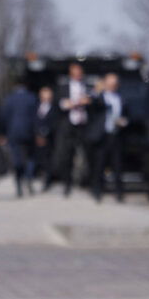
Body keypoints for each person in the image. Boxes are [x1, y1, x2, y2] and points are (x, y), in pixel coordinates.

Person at [88, 73, 127, 202]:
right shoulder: (99, 97)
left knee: (117, 165)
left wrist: (123, 121)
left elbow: (127, 114)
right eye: (110, 83)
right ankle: (97, 191)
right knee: (99, 165)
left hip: (115, 135)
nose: (112, 86)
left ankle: (119, 193)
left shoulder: (121, 98)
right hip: (102, 135)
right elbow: (91, 105)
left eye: (114, 84)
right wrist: (97, 90)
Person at [57, 62, 91, 197]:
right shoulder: (63, 87)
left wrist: (87, 101)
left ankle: (86, 182)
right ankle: (67, 184)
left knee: (86, 154)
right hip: (69, 126)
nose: (77, 74)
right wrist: (75, 102)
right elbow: (61, 104)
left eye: (79, 72)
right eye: (74, 72)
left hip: (84, 125)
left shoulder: (87, 86)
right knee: (67, 156)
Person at [1, 82, 38, 197]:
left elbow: (4, 118)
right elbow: (36, 117)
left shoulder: (9, 99)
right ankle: (29, 178)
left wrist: (3, 134)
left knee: (17, 159)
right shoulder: (32, 98)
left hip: (13, 133)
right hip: (29, 133)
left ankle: (18, 185)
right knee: (30, 158)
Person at [34, 86, 59, 191]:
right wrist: (37, 133)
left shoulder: (54, 108)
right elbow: (33, 121)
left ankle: (47, 180)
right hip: (37, 137)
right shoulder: (36, 106)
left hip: (49, 138)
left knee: (48, 160)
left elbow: (55, 123)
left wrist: (44, 133)